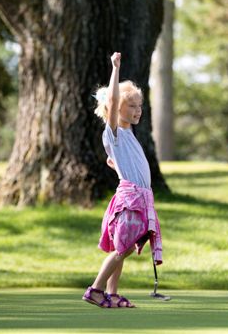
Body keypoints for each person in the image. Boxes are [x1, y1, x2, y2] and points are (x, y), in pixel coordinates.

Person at [82, 52, 163, 309]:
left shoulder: (128, 135)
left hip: (139, 197)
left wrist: (116, 165)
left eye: (140, 106)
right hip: (130, 199)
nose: (137, 111)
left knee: (124, 246)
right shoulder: (115, 131)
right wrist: (115, 69)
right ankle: (95, 289)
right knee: (122, 248)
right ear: (115, 109)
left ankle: (113, 294)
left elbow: (127, 163)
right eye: (132, 106)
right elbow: (114, 97)